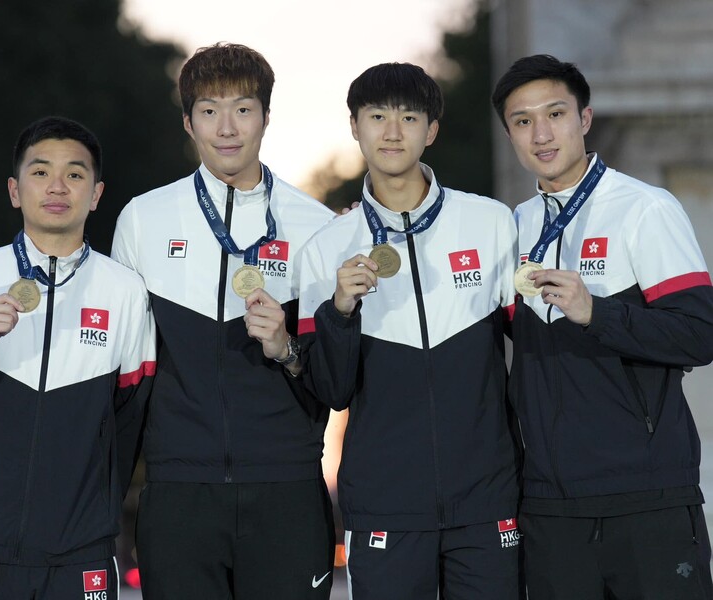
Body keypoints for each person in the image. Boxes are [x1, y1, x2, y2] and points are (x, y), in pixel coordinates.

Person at [111, 42, 336, 599]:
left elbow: (338, 374)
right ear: (189, 122)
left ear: (266, 116)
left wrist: (286, 348)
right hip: (178, 491)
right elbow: (121, 371)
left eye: (243, 108)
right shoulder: (144, 219)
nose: (227, 126)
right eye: (210, 110)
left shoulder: (316, 226)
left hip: (286, 489)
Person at [297, 62, 523, 600]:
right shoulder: (326, 249)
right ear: (355, 126)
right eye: (377, 116)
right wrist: (340, 310)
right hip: (385, 506)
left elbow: (534, 353)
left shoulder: (491, 223)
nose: (392, 132)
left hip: (487, 499)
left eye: (409, 117)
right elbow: (329, 389)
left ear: (432, 130)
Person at [491, 53, 713, 599]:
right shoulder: (510, 227)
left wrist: (599, 313)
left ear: (584, 120)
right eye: (523, 122)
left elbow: (699, 333)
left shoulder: (644, 208)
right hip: (549, 507)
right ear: (510, 135)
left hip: (646, 498)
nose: (541, 134)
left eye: (555, 114)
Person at [0, 116, 156, 599]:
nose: (56, 186)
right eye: (40, 171)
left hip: (80, 553)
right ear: (14, 189)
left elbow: (130, 423)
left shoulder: (125, 291)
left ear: (95, 194)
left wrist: (96, 512)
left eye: (74, 174)